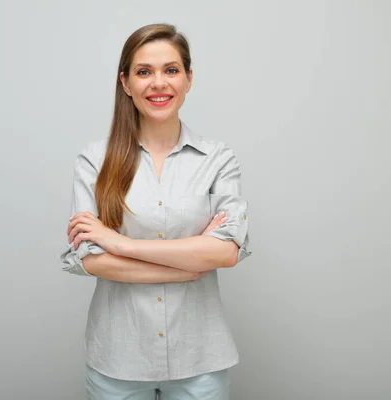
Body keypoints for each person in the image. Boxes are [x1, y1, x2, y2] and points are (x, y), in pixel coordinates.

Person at [60, 23, 251, 400]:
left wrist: (120, 244)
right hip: (118, 360)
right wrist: (186, 265)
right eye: (144, 72)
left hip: (200, 360)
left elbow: (226, 252)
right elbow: (91, 258)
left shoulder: (218, 160)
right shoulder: (94, 161)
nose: (158, 83)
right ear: (126, 83)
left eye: (171, 70)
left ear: (189, 78)